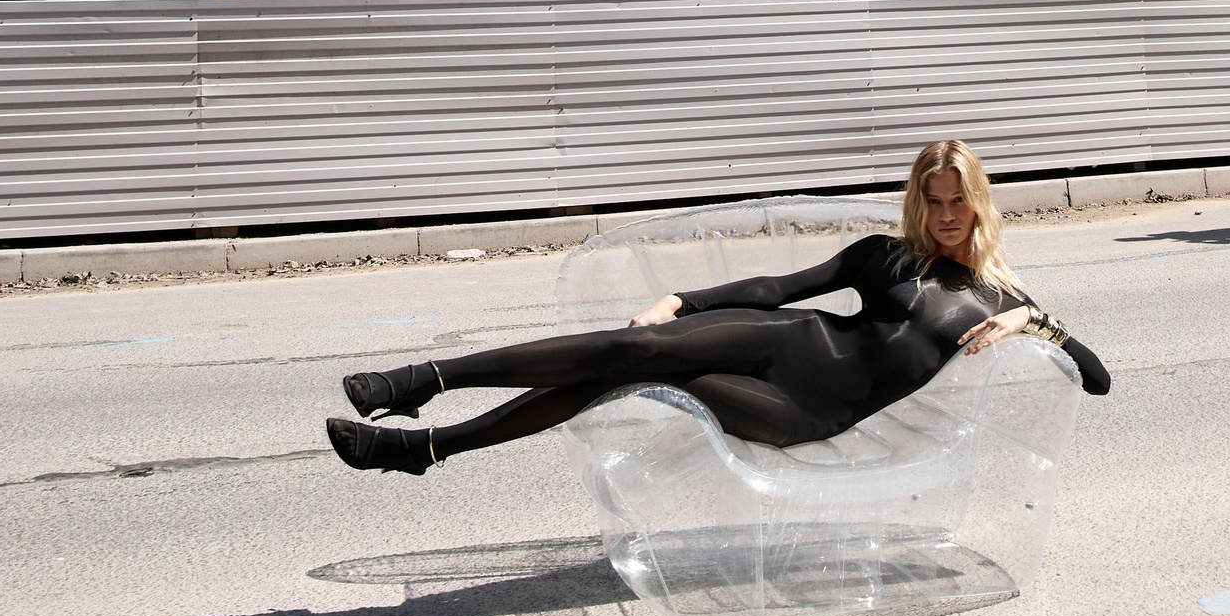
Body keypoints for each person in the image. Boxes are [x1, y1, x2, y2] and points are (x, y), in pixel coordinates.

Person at [325, 139, 1111, 474]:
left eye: (956, 201)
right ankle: (420, 381)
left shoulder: (1001, 296)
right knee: (632, 347)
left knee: (628, 374)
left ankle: (428, 447)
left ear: (978, 203)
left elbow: (1097, 376)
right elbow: (777, 290)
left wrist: (1037, 321)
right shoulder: (885, 253)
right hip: (785, 337)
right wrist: (681, 299)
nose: (944, 215)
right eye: (933, 200)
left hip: (803, 408)